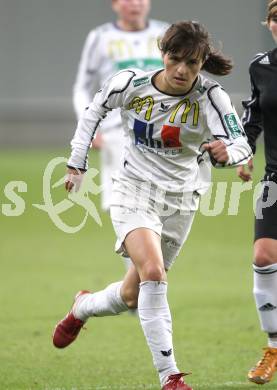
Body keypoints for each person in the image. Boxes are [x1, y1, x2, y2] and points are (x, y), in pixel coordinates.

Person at [53, 21, 252, 390]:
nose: (182, 70)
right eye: (175, 59)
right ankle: (170, 377)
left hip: (181, 200)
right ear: (163, 54)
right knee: (155, 274)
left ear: (202, 62)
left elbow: (239, 141)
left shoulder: (211, 97)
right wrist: (77, 161)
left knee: (132, 294)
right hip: (134, 191)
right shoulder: (131, 84)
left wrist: (230, 153)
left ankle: (82, 306)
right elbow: (94, 111)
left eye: (192, 63)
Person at [73, 0, 168, 211]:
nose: (135, 4)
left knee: (164, 206)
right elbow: (82, 88)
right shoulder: (100, 37)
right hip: (118, 132)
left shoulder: (166, 33)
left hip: (163, 132)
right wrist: (89, 127)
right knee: (123, 207)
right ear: (114, 4)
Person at [237, 0, 277, 385]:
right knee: (264, 256)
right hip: (275, 179)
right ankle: (273, 347)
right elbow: (254, 117)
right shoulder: (260, 67)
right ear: (268, 24)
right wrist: (242, 153)